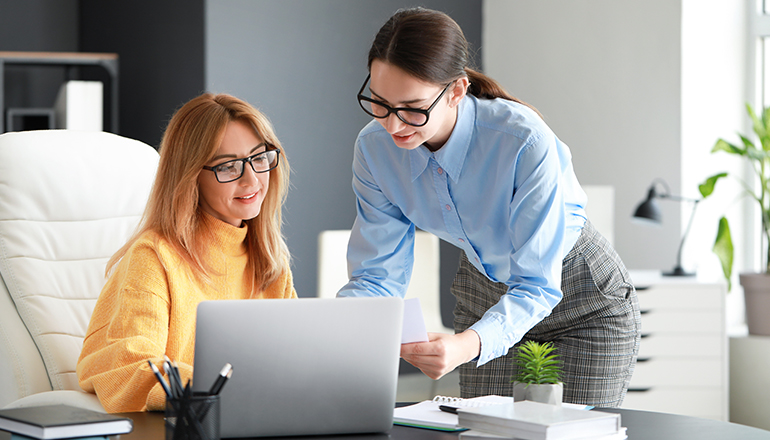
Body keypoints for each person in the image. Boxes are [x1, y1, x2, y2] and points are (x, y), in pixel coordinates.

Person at [338, 7, 641, 407]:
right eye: (379, 103)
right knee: (485, 434)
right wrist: (340, 327)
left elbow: (537, 284)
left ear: (457, 91)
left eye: (412, 108)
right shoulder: (374, 150)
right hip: (484, 292)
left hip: (579, 298)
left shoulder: (523, 140)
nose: (393, 125)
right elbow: (378, 276)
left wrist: (466, 346)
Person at [77, 93, 296, 413]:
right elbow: (129, 368)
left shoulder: (269, 258)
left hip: (256, 418)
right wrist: (232, 389)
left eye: (259, 158)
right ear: (191, 176)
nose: (252, 179)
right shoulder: (153, 258)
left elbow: (295, 360)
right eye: (229, 166)